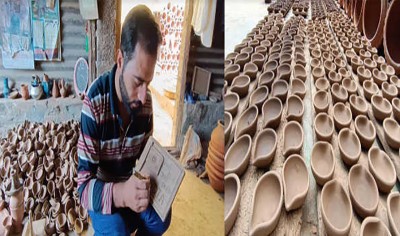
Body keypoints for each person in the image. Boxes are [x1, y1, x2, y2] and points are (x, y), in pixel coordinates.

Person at [77, 5, 170, 235]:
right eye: (137, 81)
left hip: (131, 184)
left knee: (162, 218)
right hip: (107, 191)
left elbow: (144, 161)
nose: (143, 95)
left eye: (148, 83)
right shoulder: (94, 104)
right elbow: (83, 189)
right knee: (116, 229)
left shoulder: (145, 103)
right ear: (120, 59)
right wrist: (122, 194)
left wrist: (150, 183)